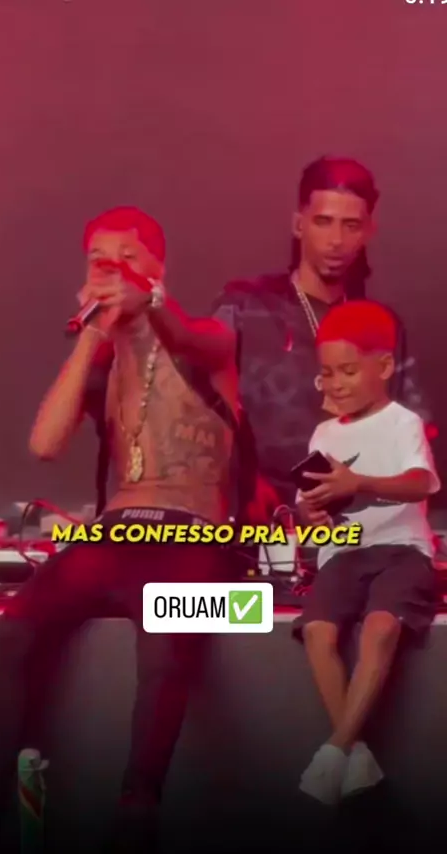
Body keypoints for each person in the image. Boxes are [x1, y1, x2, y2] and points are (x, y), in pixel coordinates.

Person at [0, 206, 240, 852]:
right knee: (14, 628)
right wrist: (92, 337)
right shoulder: (104, 358)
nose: (110, 271)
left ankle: (136, 811)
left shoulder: (210, 336)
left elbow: (187, 337)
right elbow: (44, 445)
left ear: (157, 268)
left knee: (166, 638)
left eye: (126, 259)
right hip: (117, 531)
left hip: (193, 531)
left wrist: (150, 305)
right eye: (98, 262)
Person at [211, 156, 434, 516]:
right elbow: (203, 412)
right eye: (323, 222)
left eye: (351, 225)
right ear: (299, 224)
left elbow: (416, 431)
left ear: (369, 231)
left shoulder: (380, 325)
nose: (336, 241)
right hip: (259, 519)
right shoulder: (245, 307)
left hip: (360, 522)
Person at [292, 300, 440, 806]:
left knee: (380, 627)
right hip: (344, 553)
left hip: (400, 551)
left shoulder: (402, 422)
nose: (336, 384)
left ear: (384, 366)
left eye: (349, 371)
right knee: (317, 631)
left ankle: (334, 748)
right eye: (327, 373)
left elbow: (421, 482)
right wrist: (311, 513)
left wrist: (359, 483)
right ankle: (354, 753)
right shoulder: (324, 433)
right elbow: (311, 503)